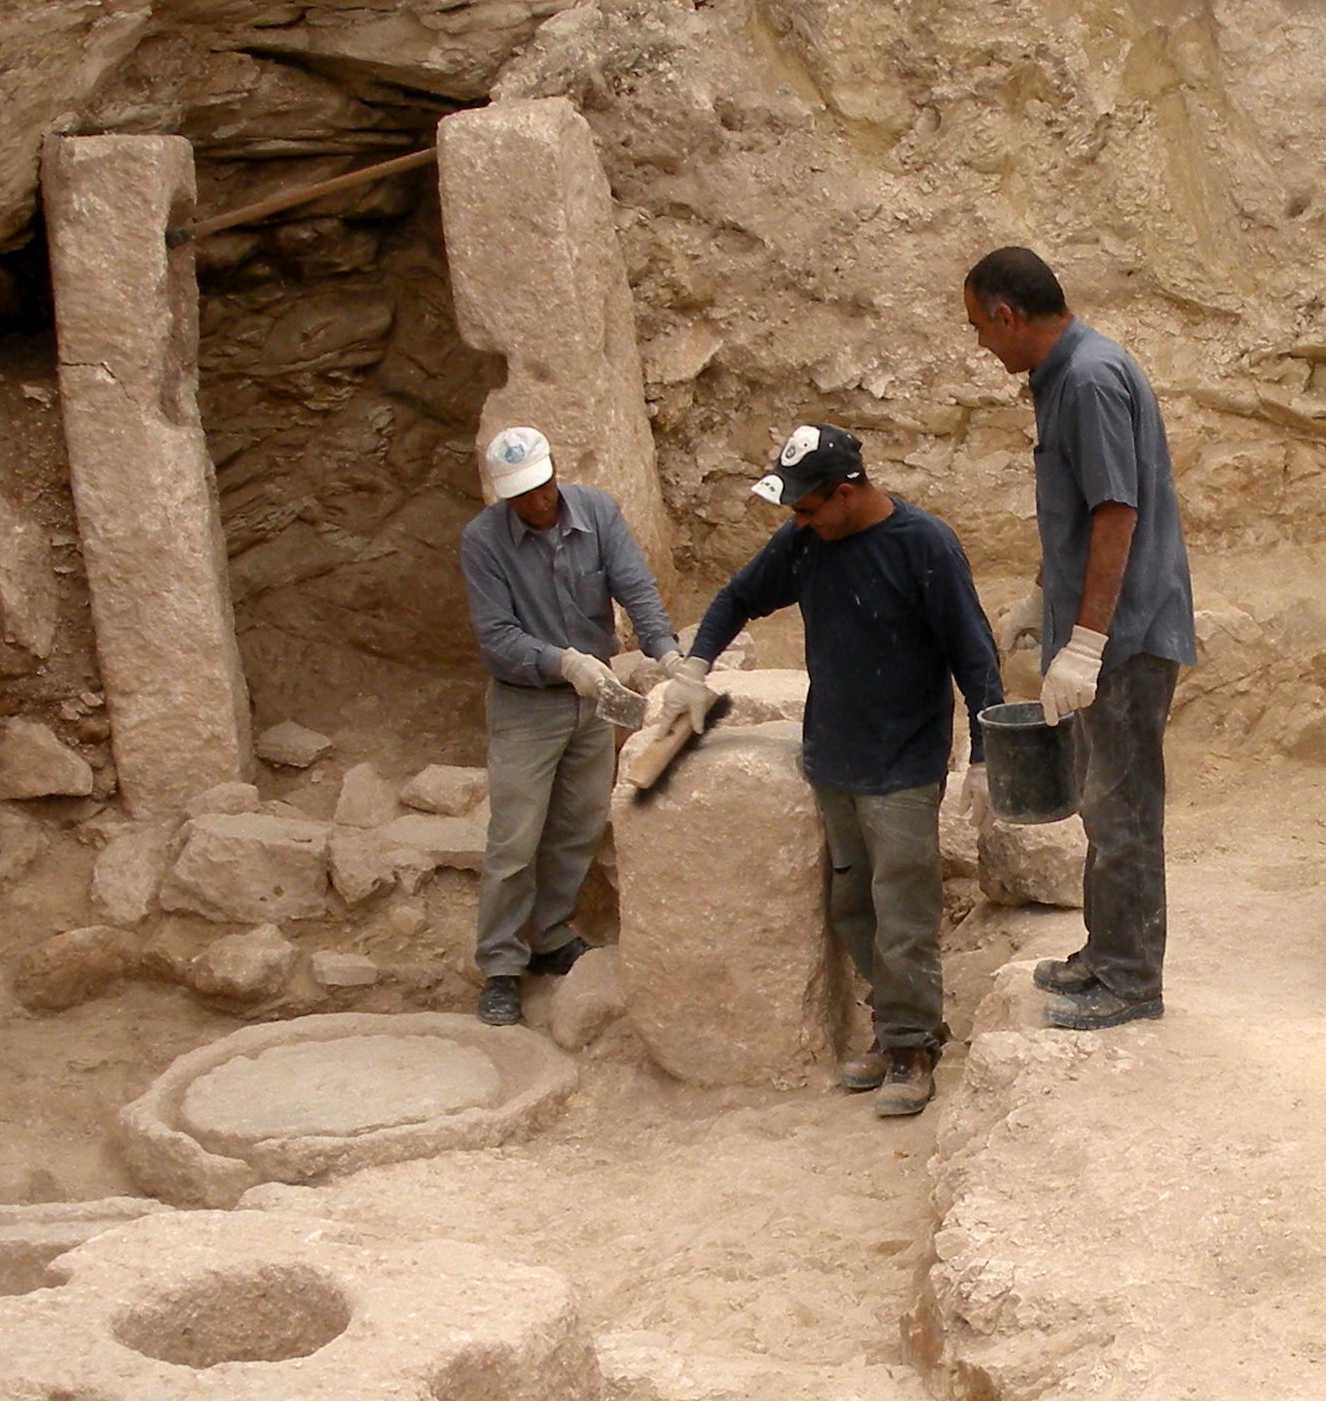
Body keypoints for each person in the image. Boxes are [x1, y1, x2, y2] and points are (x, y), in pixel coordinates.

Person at [658, 426, 1003, 1116]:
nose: (799, 522)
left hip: (904, 759)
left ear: (846, 493)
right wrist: (695, 667)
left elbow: (974, 650)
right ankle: (899, 1023)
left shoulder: (923, 546)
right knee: (854, 906)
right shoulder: (807, 541)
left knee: (903, 911)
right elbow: (736, 597)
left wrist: (989, 757)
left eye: (809, 508)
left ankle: (910, 1050)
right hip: (833, 754)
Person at [961, 245, 1197, 1030]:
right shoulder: (1062, 376)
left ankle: (1132, 982)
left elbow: (1115, 513)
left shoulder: (1090, 379)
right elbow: (1074, 510)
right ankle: (1106, 953)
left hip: (1127, 636)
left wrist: (1089, 640)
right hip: (1107, 629)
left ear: (1007, 315)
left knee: (1122, 808)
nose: (979, 344)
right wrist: (1041, 593)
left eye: (979, 327)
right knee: (1103, 802)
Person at [459, 423, 679, 1028]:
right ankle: (502, 964)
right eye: (523, 496)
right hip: (526, 702)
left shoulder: (598, 513)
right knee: (514, 839)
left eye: (544, 486)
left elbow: (636, 588)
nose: (539, 502)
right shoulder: (483, 543)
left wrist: (667, 653)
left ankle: (550, 937)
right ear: (504, 496)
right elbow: (497, 638)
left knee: (579, 825)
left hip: (594, 698)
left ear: (555, 469)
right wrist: (561, 662)